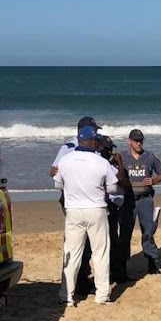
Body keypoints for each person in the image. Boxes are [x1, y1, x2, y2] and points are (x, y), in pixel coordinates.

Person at [54, 125, 118, 307]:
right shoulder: (100, 162)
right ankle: (102, 295)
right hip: (96, 209)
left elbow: (57, 184)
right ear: (91, 142)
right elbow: (113, 187)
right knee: (100, 253)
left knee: (72, 254)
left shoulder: (66, 160)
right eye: (96, 140)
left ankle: (66, 295)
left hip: (74, 210)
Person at [50, 116, 102, 295]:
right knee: (76, 240)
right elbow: (53, 171)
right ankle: (76, 280)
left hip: (90, 198)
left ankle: (82, 277)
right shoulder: (68, 148)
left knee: (87, 240)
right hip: (73, 198)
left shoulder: (94, 147)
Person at [119, 129, 161, 275]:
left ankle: (151, 262)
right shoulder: (121, 157)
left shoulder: (149, 157)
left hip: (145, 199)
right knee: (125, 233)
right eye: (136, 141)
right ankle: (122, 265)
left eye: (141, 141)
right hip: (128, 201)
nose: (139, 143)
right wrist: (122, 180)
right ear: (129, 141)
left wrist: (153, 180)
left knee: (148, 231)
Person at [97, 135, 133, 283]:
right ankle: (114, 273)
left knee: (114, 241)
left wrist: (118, 163)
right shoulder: (100, 165)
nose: (110, 151)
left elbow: (123, 179)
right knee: (109, 240)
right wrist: (119, 162)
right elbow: (119, 179)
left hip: (115, 207)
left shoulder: (111, 165)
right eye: (108, 149)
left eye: (111, 149)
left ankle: (117, 271)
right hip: (107, 206)